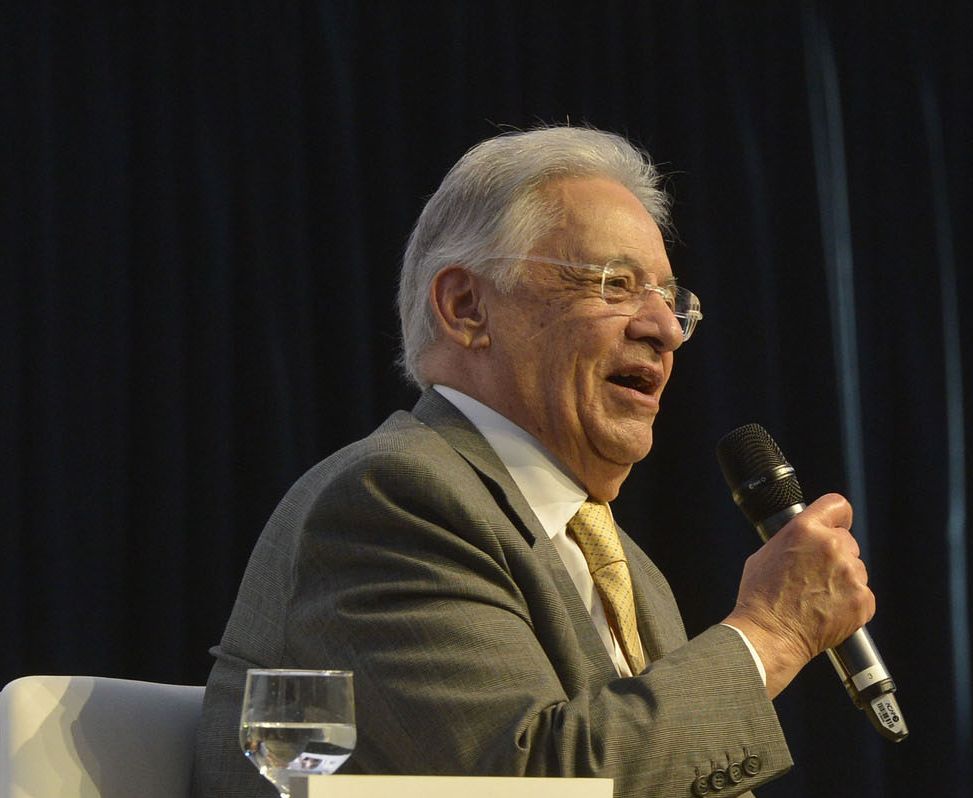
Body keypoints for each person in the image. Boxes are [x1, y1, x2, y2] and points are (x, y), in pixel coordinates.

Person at [190, 125, 875, 798]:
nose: (665, 329)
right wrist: (772, 633)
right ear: (466, 308)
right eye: (614, 283)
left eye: (671, 301)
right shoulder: (392, 499)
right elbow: (523, 785)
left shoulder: (629, 569)